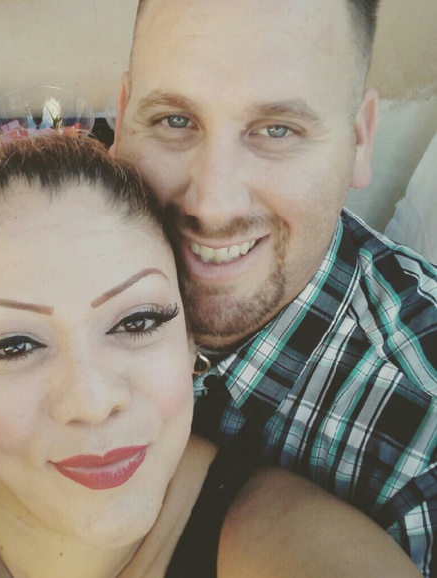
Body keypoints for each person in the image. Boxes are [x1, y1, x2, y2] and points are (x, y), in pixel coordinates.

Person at [0, 134, 422, 578]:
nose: (92, 401)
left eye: (137, 322)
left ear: (191, 339)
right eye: (15, 345)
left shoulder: (280, 540)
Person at [109, 0, 437, 576]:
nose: (212, 205)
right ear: (121, 116)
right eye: (175, 120)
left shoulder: (422, 448)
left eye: (277, 130)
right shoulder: (57, 260)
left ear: (360, 140)